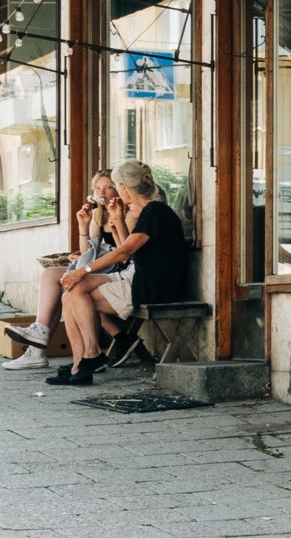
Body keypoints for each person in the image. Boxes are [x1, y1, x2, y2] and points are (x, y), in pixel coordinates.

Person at [52, 162, 193, 387]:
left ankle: (91, 355)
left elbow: (124, 252)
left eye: (117, 186)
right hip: (138, 276)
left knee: (77, 292)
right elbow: (129, 254)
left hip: (152, 287)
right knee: (70, 292)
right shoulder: (150, 211)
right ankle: (80, 364)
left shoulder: (154, 211)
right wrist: (117, 219)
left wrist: (83, 269)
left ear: (124, 188)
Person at [4, 172, 121, 365]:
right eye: (97, 188)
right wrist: (83, 225)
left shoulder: (123, 214)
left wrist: (84, 266)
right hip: (94, 267)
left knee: (66, 282)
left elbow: (123, 254)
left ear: (118, 189)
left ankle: (37, 350)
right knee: (51, 274)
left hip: (109, 271)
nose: (102, 192)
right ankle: (39, 336)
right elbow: (87, 251)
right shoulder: (99, 215)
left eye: (108, 187)